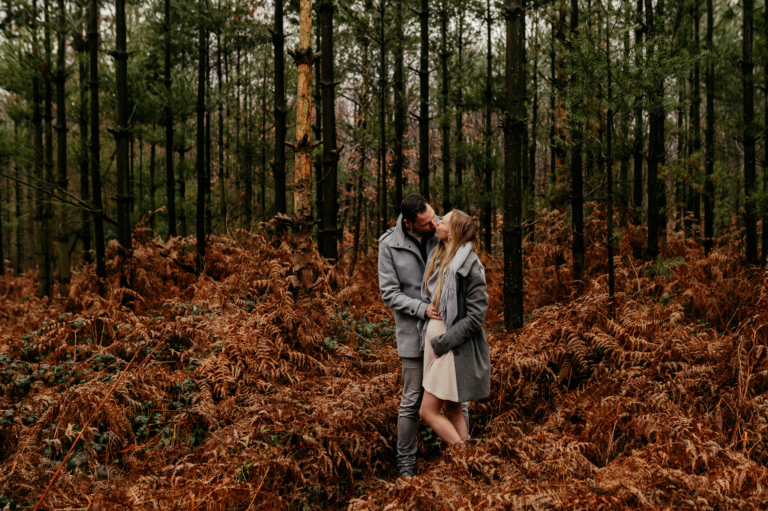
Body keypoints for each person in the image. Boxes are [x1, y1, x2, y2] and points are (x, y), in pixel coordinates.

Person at [378, 194, 469, 478]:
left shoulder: (441, 230)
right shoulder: (388, 245)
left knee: (458, 398)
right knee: (411, 402)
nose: (434, 223)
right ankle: (406, 469)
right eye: (427, 223)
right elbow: (389, 293)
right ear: (409, 223)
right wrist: (421, 308)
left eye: (434, 217)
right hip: (411, 334)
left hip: (445, 331)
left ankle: (463, 460)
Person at [418, 210, 490, 446]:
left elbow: (475, 317)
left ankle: (464, 457)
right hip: (441, 343)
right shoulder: (443, 258)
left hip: (452, 348)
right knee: (454, 412)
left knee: (427, 411)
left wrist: (443, 343)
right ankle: (469, 466)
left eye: (443, 221)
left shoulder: (470, 267)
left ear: (454, 232)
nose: (437, 222)